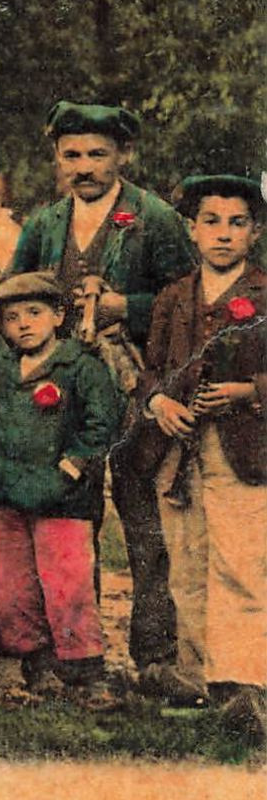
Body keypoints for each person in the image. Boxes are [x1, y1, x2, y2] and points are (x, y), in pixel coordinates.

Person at [8, 100, 195, 696]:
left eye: (97, 154)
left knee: (144, 519)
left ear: (124, 155)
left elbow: (189, 300)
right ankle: (64, 655)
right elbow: (10, 296)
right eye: (72, 155)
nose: (83, 166)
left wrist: (126, 308)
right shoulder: (43, 224)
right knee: (61, 520)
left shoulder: (155, 217)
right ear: (56, 159)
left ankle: (155, 655)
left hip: (138, 385)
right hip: (60, 396)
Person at [137, 175, 266, 744]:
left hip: (244, 449)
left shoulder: (264, 293)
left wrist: (249, 391)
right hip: (179, 448)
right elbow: (151, 366)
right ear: (191, 229)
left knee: (240, 562)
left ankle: (242, 681)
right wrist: (158, 400)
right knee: (186, 563)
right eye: (211, 221)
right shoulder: (173, 296)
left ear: (255, 233)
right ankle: (195, 675)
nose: (223, 234)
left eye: (237, 223)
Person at [0, 272, 123, 708]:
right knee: (14, 586)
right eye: (12, 317)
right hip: (6, 493)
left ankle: (85, 671)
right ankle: (37, 665)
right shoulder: (2, 365)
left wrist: (70, 469)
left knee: (67, 583)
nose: (24, 324)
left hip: (62, 496)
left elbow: (103, 422)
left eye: (35, 313)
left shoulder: (80, 364)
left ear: (59, 315)